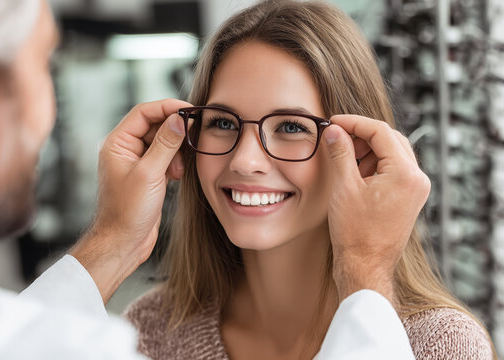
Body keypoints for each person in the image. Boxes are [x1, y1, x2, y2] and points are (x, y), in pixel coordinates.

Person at [0, 0, 428, 359]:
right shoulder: (136, 335)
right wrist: (366, 272)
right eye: (44, 69)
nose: (247, 160)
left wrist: (113, 240)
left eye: (293, 127)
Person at [124, 1, 495, 359]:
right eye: (222, 123)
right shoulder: (148, 330)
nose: (245, 160)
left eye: (290, 126)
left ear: (362, 150)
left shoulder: (439, 345)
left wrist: (363, 273)